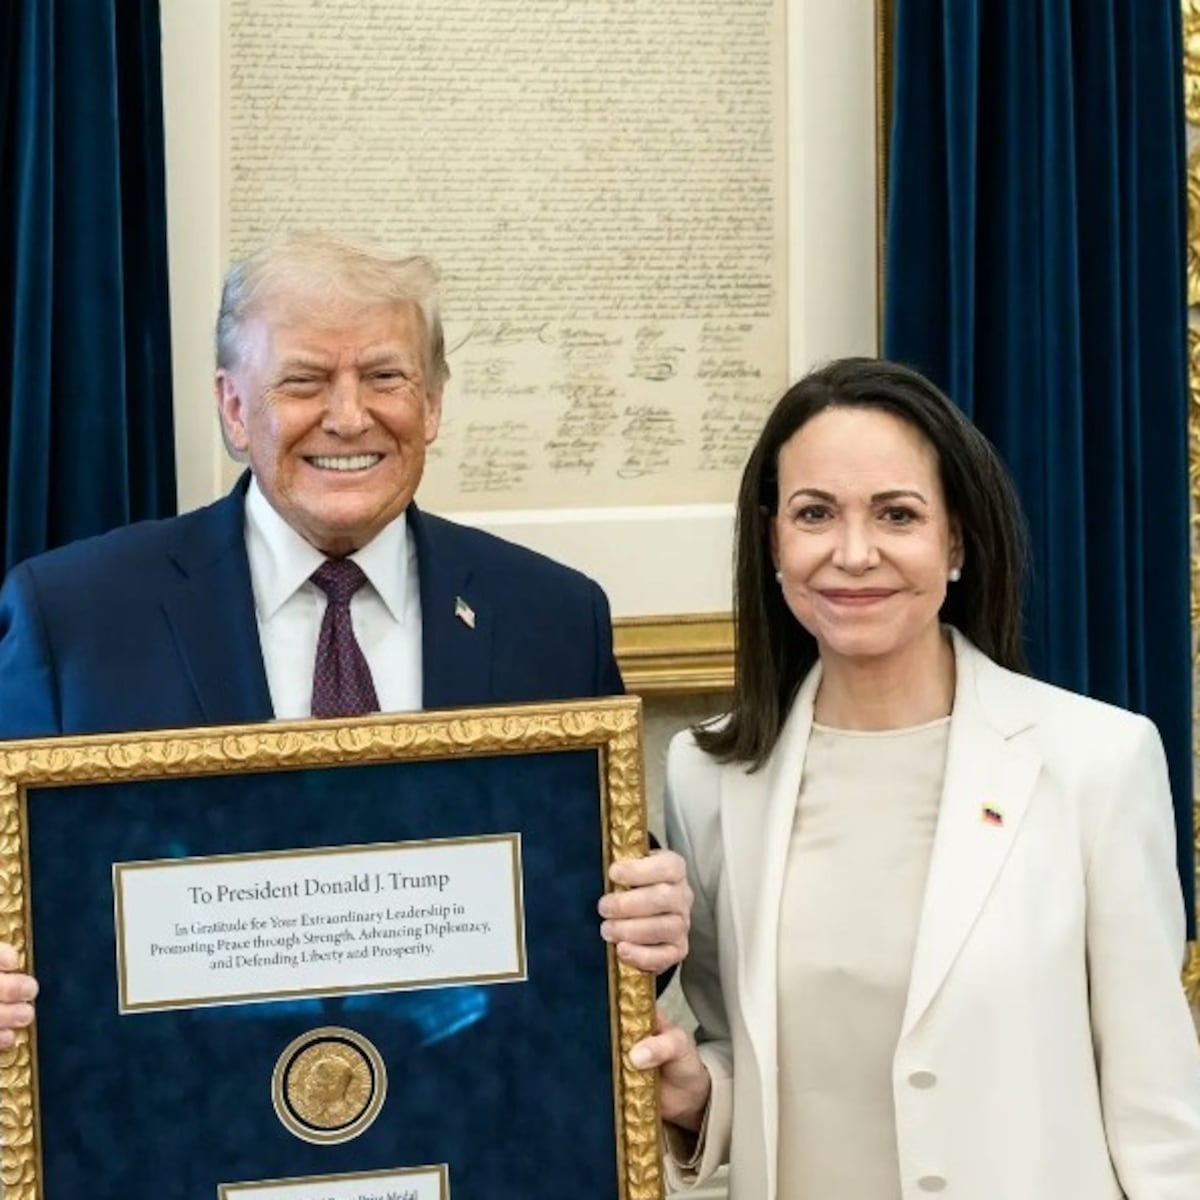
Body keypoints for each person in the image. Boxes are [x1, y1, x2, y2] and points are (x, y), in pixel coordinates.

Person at [0, 233, 690, 1043]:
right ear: (233, 407)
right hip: (171, 1132)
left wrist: (650, 920)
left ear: (432, 403)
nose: (349, 415)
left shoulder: (549, 614)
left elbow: (599, 904)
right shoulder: (75, 616)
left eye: (386, 377)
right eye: (304, 381)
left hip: (473, 1129)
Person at [631, 357, 1200, 1199]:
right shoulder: (710, 774)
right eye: (814, 513)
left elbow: (1159, 1111)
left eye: (896, 514)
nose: (853, 554)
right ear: (772, 541)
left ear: (957, 540)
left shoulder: (1096, 762)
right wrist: (696, 1095)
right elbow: (747, 1055)